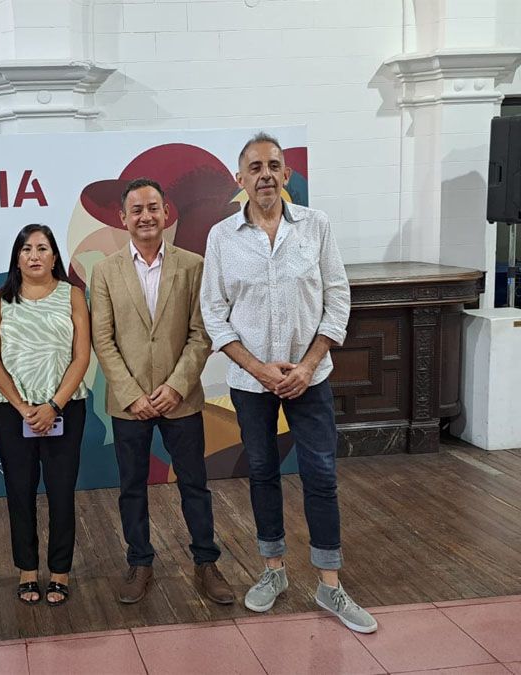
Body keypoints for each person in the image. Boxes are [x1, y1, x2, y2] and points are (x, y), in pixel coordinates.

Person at [200, 132, 376, 634]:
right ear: (240, 179)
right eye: (254, 167)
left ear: (287, 174)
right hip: (250, 381)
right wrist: (258, 367)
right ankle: (273, 571)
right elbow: (214, 312)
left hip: (310, 377)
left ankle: (330, 585)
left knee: (321, 476)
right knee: (261, 474)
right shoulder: (221, 237)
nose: (265, 174)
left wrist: (306, 364)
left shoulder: (315, 227)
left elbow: (337, 297)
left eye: (274, 165)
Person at [89, 178, 233, 606]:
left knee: (195, 484)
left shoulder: (193, 266)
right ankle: (140, 562)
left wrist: (175, 386)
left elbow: (201, 333)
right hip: (128, 403)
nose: (145, 216)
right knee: (132, 487)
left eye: (152, 208)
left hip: (181, 399)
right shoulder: (105, 270)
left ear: (166, 212)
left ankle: (206, 562)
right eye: (136, 210)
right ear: (123, 218)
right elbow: (103, 339)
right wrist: (133, 393)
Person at [0, 224, 90, 607]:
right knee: (19, 493)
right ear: (16, 257)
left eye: (42, 248)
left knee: (61, 494)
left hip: (65, 408)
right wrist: (23, 406)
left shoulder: (73, 295)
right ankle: (27, 570)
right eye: (26, 249)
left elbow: (82, 356)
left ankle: (59, 573)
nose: (34, 255)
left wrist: (53, 406)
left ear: (54, 256)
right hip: (15, 413)